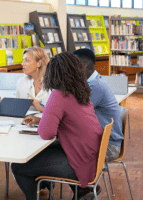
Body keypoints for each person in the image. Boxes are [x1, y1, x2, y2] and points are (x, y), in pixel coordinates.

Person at [11, 52, 103, 200]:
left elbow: (46, 133)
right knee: (42, 154)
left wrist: (44, 118)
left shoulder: (58, 95)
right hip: (91, 157)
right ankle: (79, 192)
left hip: (78, 162)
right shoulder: (80, 91)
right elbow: (68, 123)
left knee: (18, 167)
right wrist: (42, 119)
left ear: (53, 74)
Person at [73, 49, 123, 163]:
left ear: (83, 66)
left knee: (57, 152)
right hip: (101, 141)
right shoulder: (93, 81)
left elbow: (75, 114)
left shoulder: (95, 86)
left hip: (108, 147)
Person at [16, 47, 51, 111]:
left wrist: (40, 108)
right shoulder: (21, 82)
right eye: (23, 60)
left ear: (39, 63)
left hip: (47, 121)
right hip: (26, 120)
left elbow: (59, 114)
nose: (22, 63)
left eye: (26, 60)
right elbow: (18, 109)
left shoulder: (53, 84)